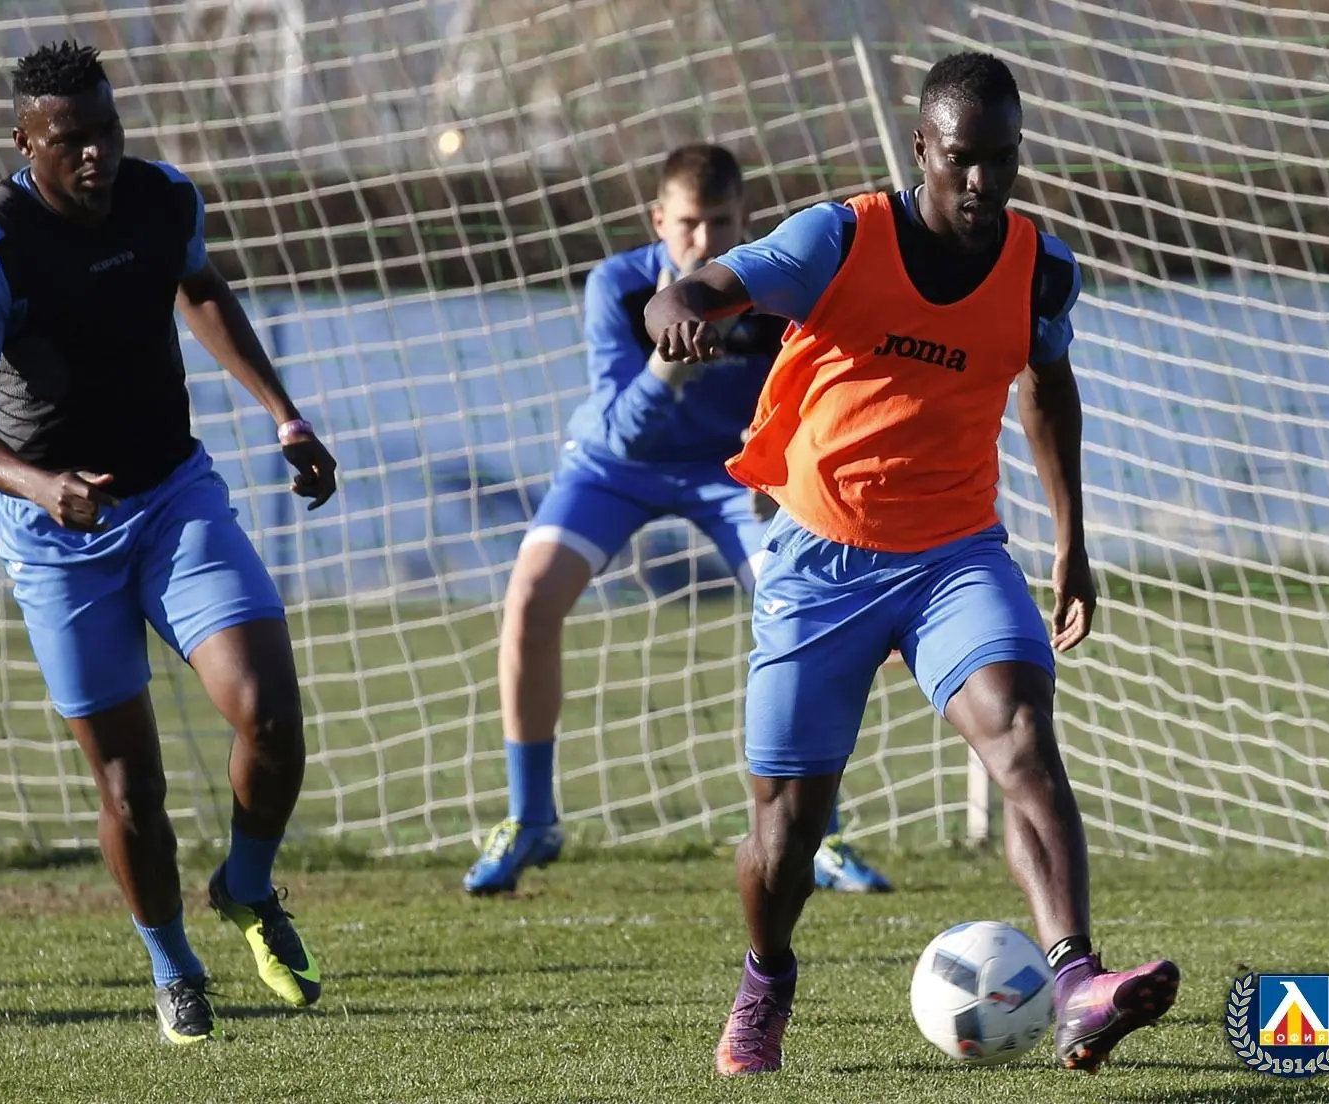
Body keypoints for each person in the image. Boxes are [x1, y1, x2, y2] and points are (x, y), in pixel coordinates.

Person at [645, 52, 1180, 1075]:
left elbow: (1046, 388)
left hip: (953, 556)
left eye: (1001, 159)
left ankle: (1075, 982)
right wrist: (677, 313)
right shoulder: (838, 238)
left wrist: (1070, 542)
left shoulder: (1039, 267)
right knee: (785, 833)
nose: (982, 181)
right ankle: (765, 979)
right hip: (818, 559)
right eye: (961, 158)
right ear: (920, 148)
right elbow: (709, 287)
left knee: (1019, 731)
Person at [0, 40, 337, 1044]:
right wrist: (43, 486)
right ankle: (172, 966)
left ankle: (246, 886)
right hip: (56, 535)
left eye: (107, 130)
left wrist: (284, 414)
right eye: (71, 140)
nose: (97, 153)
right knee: (130, 787)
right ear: (24, 143)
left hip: (173, 497)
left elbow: (198, 287)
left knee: (270, 715)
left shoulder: (162, 198)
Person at [463, 145, 892, 897]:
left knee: (800, 612)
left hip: (731, 474)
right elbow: (624, 432)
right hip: (613, 469)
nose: (704, 240)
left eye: (720, 223)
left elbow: (815, 394)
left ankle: (817, 834)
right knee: (530, 594)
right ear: (659, 220)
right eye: (689, 223)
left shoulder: (774, 287)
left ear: (744, 220)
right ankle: (530, 819)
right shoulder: (618, 286)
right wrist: (669, 362)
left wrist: (782, 458)